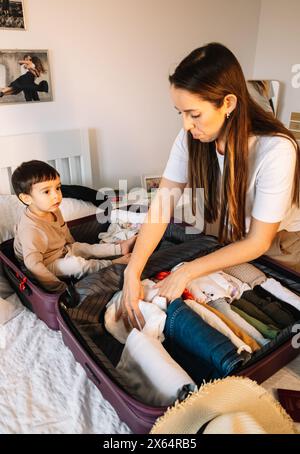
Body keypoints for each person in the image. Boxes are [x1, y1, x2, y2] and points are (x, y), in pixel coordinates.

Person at [118, 42, 300, 329]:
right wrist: (134, 267)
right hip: (234, 232)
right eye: (179, 112)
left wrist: (187, 272)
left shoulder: (276, 149)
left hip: (283, 243)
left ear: (228, 103)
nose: (186, 125)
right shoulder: (191, 139)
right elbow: (162, 206)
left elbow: (259, 241)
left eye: (194, 114)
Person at [11, 160, 136, 294]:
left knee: (85, 248)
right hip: (45, 264)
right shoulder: (31, 230)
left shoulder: (53, 210)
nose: (56, 196)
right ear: (26, 198)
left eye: (58, 188)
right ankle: (113, 264)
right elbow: (34, 266)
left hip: (60, 250)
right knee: (78, 265)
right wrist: (58, 288)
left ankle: (119, 248)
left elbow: (64, 231)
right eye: (46, 191)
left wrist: (74, 247)